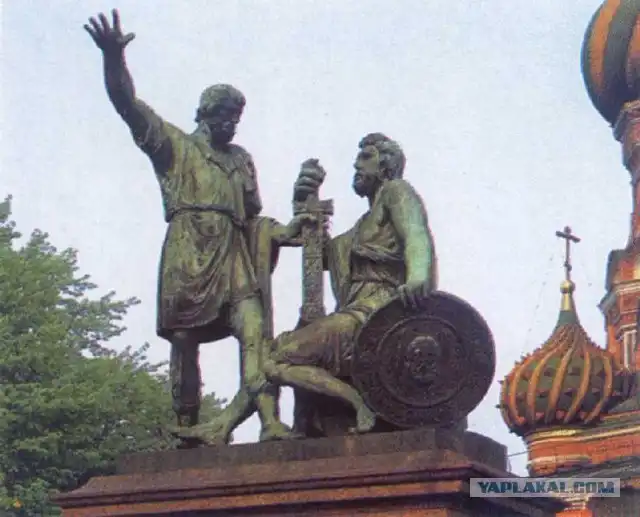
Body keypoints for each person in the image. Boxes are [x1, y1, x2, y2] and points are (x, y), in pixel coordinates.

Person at [84, 10, 306, 442]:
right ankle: (186, 427)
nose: (232, 123)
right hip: (188, 253)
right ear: (206, 114)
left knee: (254, 330)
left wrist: (286, 231)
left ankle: (269, 421)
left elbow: (254, 220)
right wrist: (113, 57)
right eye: (226, 115)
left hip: (233, 256)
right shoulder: (174, 146)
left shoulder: (241, 159)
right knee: (184, 340)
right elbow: (128, 105)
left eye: (237, 117)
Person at [263, 132, 439, 434]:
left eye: (365, 157)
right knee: (276, 354)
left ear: (386, 166)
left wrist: (418, 277)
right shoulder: (361, 226)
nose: (357, 165)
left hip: (378, 312)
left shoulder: (397, 191)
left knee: (275, 359)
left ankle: (359, 404)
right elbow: (322, 257)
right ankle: (355, 402)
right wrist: (304, 208)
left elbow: (416, 235)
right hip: (355, 311)